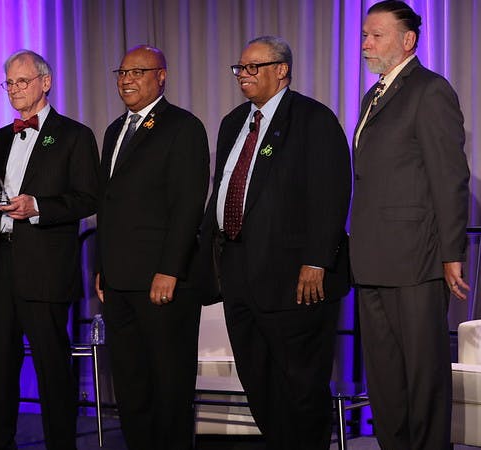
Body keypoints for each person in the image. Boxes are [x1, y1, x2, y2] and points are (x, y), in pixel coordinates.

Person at [201, 36, 353, 449]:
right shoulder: (234, 122)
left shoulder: (312, 118)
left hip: (296, 278)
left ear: (281, 70)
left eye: (253, 67)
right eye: (240, 69)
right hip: (239, 273)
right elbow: (223, 190)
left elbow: (331, 193)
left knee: (301, 384)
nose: (243, 76)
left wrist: (318, 261)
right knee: (258, 379)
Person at [0, 50, 99, 450]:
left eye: (22, 81)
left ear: (46, 82)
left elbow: (89, 198)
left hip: (44, 266)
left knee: (53, 368)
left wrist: (37, 206)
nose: (14, 89)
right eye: (9, 82)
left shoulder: (75, 135)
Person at [350, 2, 470, 448]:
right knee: (384, 379)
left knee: (423, 379)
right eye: (364, 34)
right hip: (373, 258)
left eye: (376, 35)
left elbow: (449, 176)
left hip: (415, 258)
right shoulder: (372, 96)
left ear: (408, 40)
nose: (366, 43)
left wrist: (451, 253)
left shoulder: (430, 90)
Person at [94, 45, 209, 450]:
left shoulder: (183, 126)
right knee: (130, 382)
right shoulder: (113, 130)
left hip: (162, 281)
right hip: (119, 281)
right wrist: (102, 267)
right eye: (122, 72)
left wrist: (170, 269)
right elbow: (107, 204)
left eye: (137, 71)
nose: (126, 79)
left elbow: (188, 204)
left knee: (169, 383)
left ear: (161, 76)